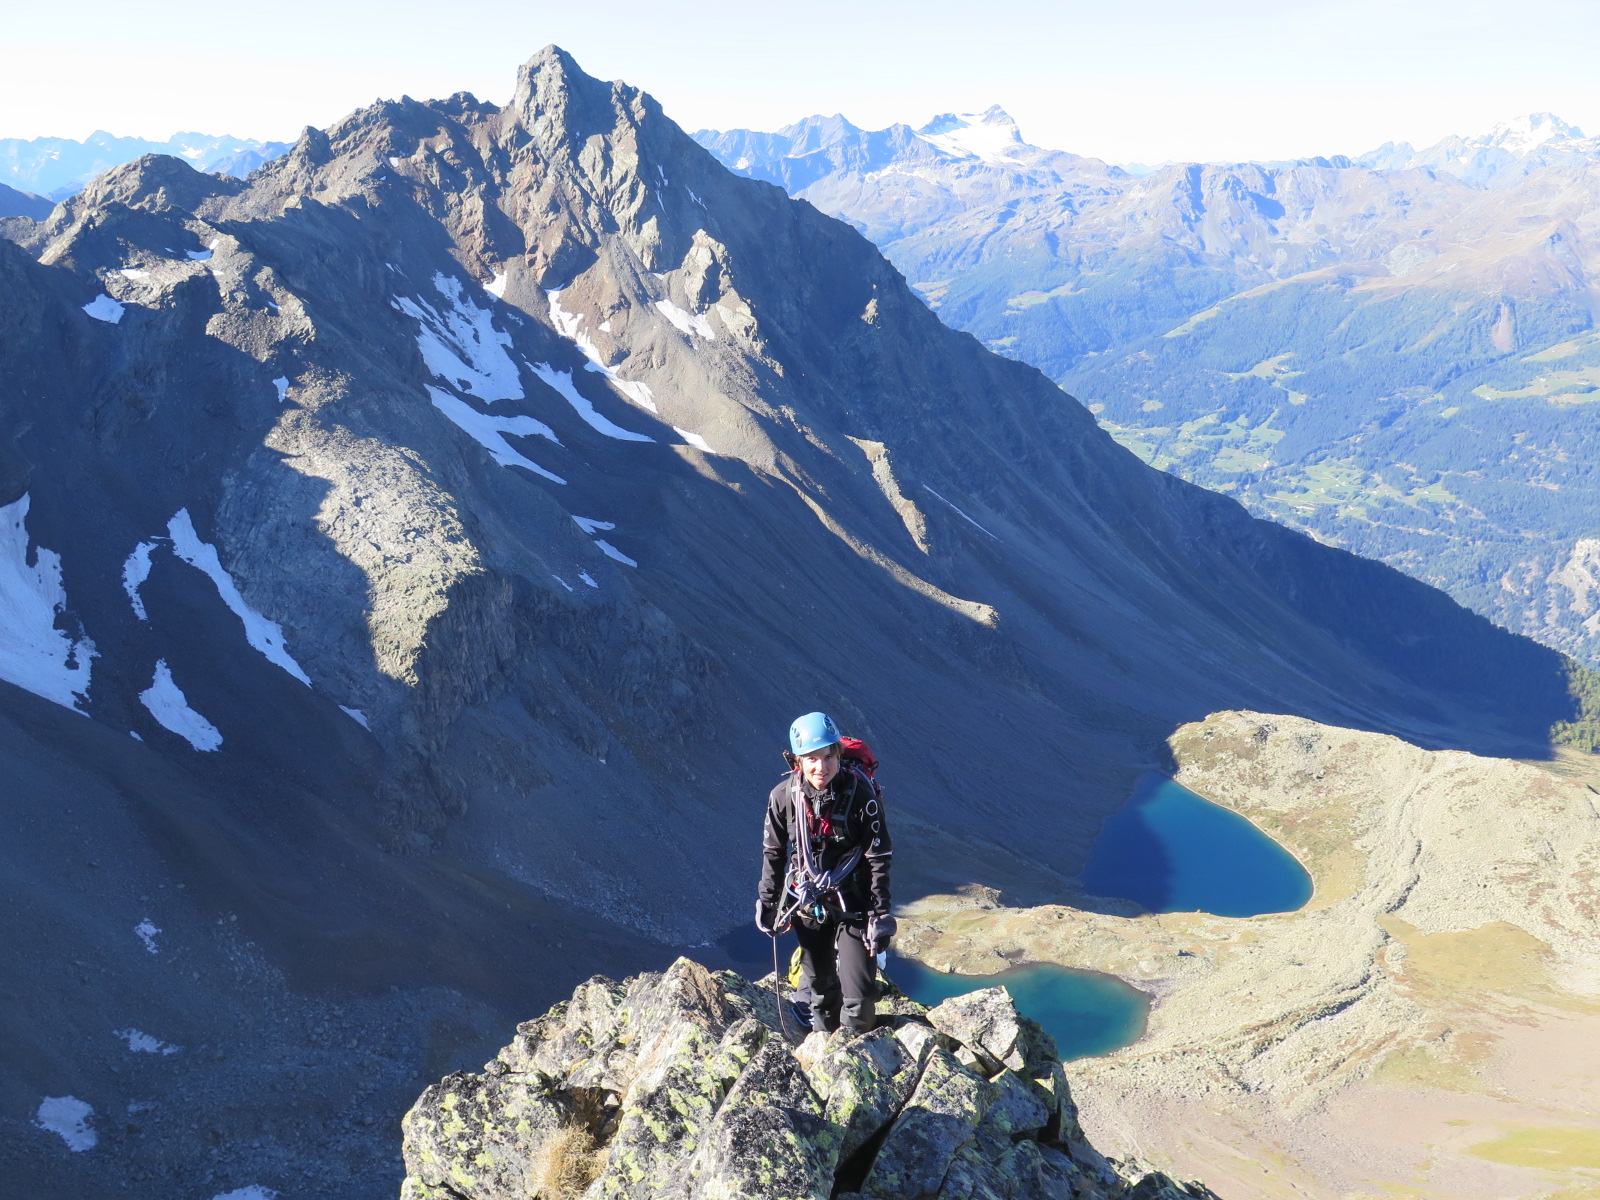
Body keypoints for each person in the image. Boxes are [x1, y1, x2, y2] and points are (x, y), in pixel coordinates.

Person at [756, 711, 894, 1034]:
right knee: (819, 994)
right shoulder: (782, 799)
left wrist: (881, 915)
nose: (823, 767)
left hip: (854, 905)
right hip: (809, 904)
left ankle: (850, 1054)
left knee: (858, 1004)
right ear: (798, 762)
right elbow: (774, 854)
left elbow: (878, 857)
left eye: (829, 756)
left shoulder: (861, 796)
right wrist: (768, 903)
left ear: (839, 754)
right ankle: (822, 1053)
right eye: (813, 759)